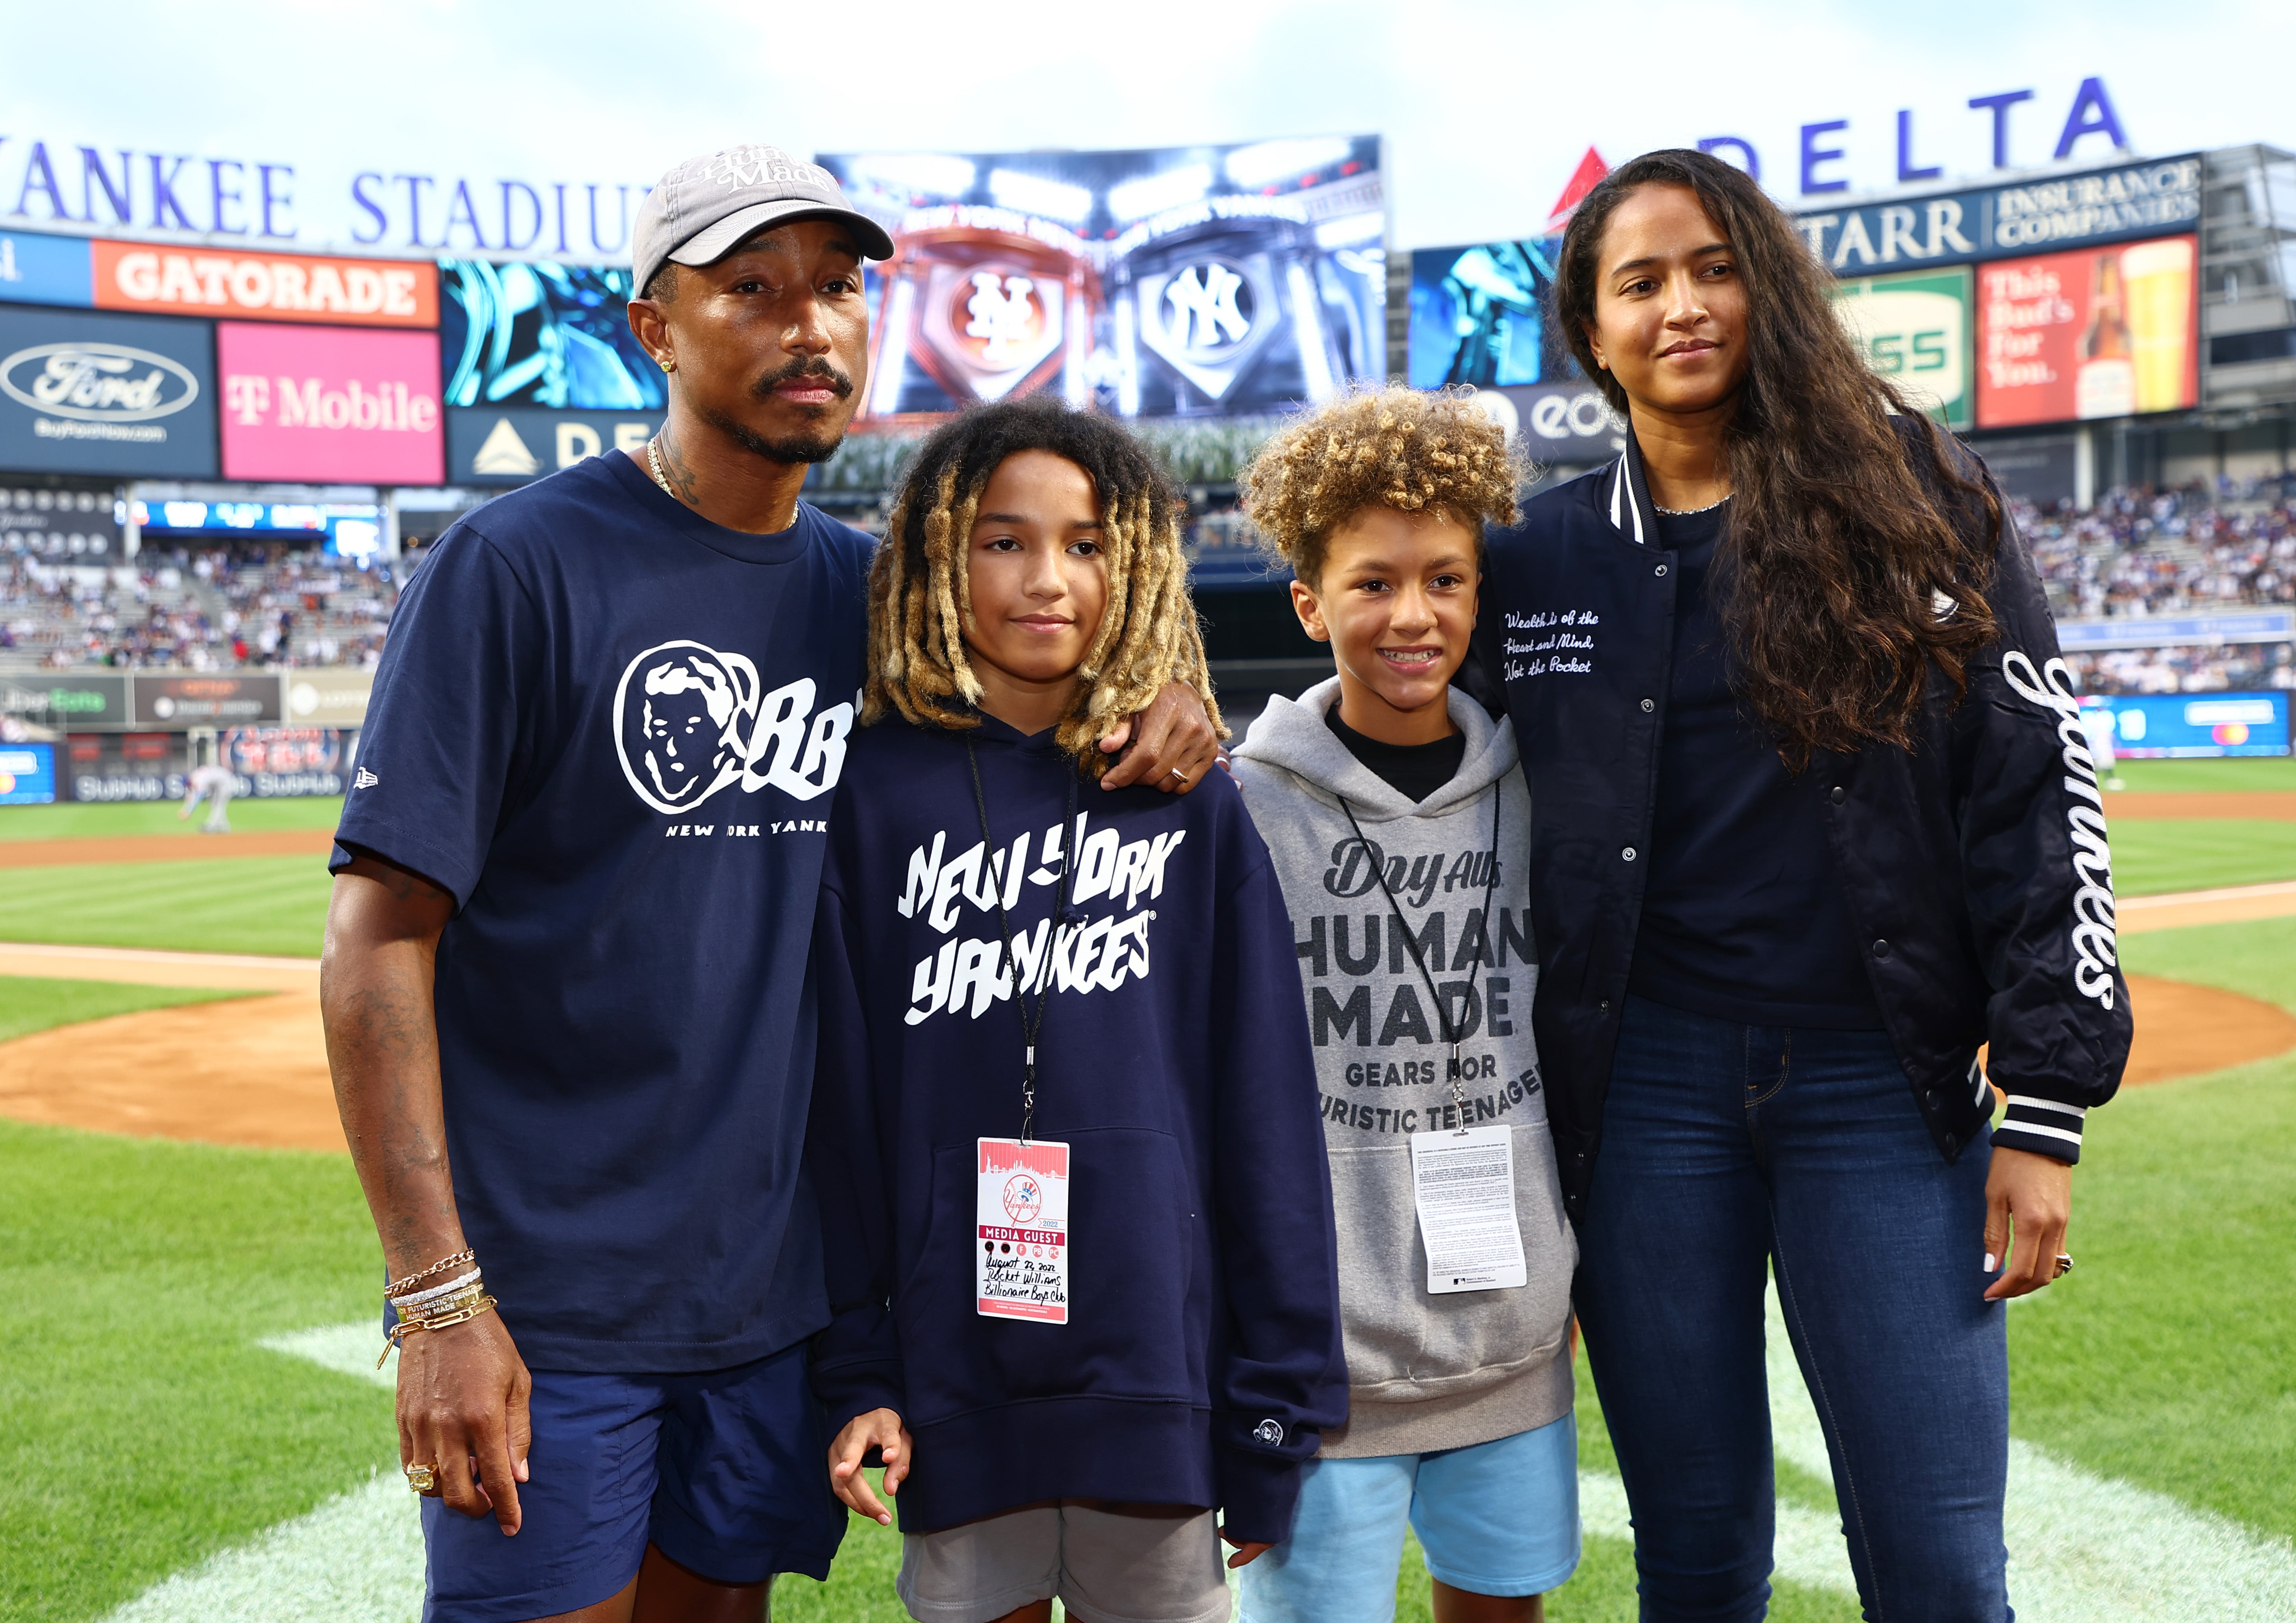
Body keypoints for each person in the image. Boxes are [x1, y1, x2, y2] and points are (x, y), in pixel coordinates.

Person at [320, 145, 1220, 1623]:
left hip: (780, 1296)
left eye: (838, 287)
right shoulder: (513, 566)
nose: (811, 324)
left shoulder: (882, 600)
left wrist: (1176, 698)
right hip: (555, 1297)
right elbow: (375, 942)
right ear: (654, 329)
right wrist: (436, 1298)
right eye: (752, 288)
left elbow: (1065, 709)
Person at [1464, 148, 2133, 1621]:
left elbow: (2038, 790)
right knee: (1696, 1560)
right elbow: (1394, 725)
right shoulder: (1536, 551)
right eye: (1636, 282)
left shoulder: (1913, 494)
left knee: (1941, 1565)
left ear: (1765, 286)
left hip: (1877, 1091)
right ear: (1590, 330)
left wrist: (2043, 1102)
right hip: (1639, 1099)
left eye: (1712, 267)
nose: (1682, 306)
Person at [808, 396, 1346, 1623]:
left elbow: (1264, 1107)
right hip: (954, 1383)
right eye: (1004, 540)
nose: (1048, 577)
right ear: (941, 559)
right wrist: (857, 1368)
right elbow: (838, 1120)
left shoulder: (1189, 798)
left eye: (1088, 542)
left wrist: (1272, 1400)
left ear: (1135, 562)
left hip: (1155, 1379)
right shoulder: (871, 794)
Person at [1228, 387, 1579, 1623]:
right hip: (1321, 1356)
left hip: (1511, 1338)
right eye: (1371, 582)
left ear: (1479, 593)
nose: (1411, 613)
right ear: (1309, 603)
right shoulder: (1240, 808)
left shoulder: (1538, 784)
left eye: (1444, 577)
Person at [179, 751, 235, 834]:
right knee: (213, 804)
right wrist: (186, 808)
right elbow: (191, 794)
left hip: (228, 782)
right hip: (217, 785)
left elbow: (198, 797)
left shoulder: (199, 779)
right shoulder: (194, 776)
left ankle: (211, 826)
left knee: (218, 805)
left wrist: (189, 812)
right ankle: (224, 827)